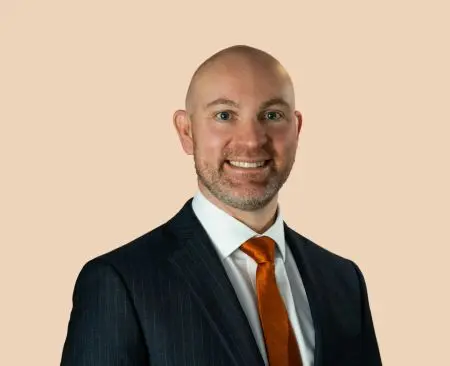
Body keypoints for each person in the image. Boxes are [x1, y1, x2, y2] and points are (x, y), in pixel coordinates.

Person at [60, 45, 382, 366]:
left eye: (272, 115)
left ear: (296, 129)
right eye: (224, 115)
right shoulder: (121, 284)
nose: (252, 140)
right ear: (186, 131)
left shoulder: (343, 282)